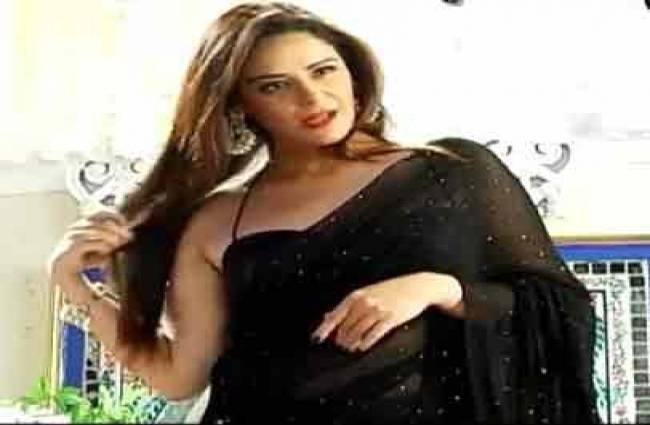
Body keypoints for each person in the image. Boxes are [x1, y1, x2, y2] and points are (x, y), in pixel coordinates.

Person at [47, 2, 600, 424]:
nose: (313, 99)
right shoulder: (217, 220)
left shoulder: (453, 171)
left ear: (353, 73)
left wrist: (437, 288)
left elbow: (557, 306)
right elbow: (179, 377)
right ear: (239, 106)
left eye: (323, 71)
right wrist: (75, 285)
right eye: (275, 86)